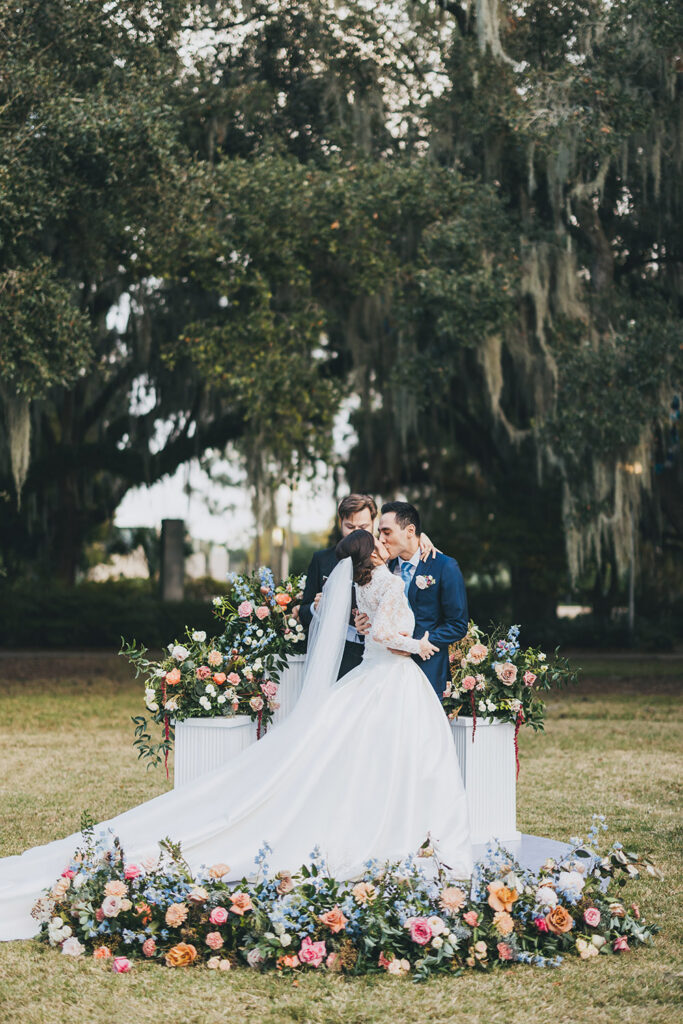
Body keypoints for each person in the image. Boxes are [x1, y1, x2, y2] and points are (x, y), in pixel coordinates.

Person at [0, 530, 472, 941]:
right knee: (396, 762)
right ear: (372, 555)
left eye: (390, 535)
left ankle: (394, 833)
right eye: (380, 540)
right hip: (391, 678)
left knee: (370, 760)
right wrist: (422, 643)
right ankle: (397, 835)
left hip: (374, 680)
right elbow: (388, 636)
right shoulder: (386, 582)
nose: (386, 542)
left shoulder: (365, 584)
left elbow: (367, 627)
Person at [297, 493, 438, 678]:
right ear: (340, 523)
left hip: (386, 656)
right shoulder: (322, 559)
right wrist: (318, 607)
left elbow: (408, 547)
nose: (356, 532)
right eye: (350, 526)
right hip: (340, 654)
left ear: (374, 523)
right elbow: (303, 612)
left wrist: (421, 540)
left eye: (363, 527)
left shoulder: (386, 552)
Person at [355, 501, 468, 698]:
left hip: (427, 669)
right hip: (384, 671)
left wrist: (415, 645)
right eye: (379, 532)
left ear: (410, 530)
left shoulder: (444, 566)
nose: (381, 539)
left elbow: (457, 625)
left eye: (387, 532)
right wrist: (362, 622)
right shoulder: (380, 568)